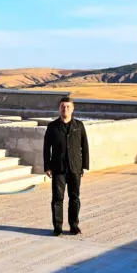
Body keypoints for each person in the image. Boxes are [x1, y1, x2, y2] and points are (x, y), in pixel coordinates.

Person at [43, 96, 89, 236]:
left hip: (75, 167)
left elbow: (84, 147)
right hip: (58, 168)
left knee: (74, 198)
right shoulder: (52, 127)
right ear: (59, 108)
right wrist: (47, 166)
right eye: (63, 106)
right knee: (57, 198)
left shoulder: (79, 126)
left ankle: (74, 225)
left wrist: (84, 166)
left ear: (72, 109)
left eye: (68, 107)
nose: (65, 109)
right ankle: (57, 227)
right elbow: (46, 148)